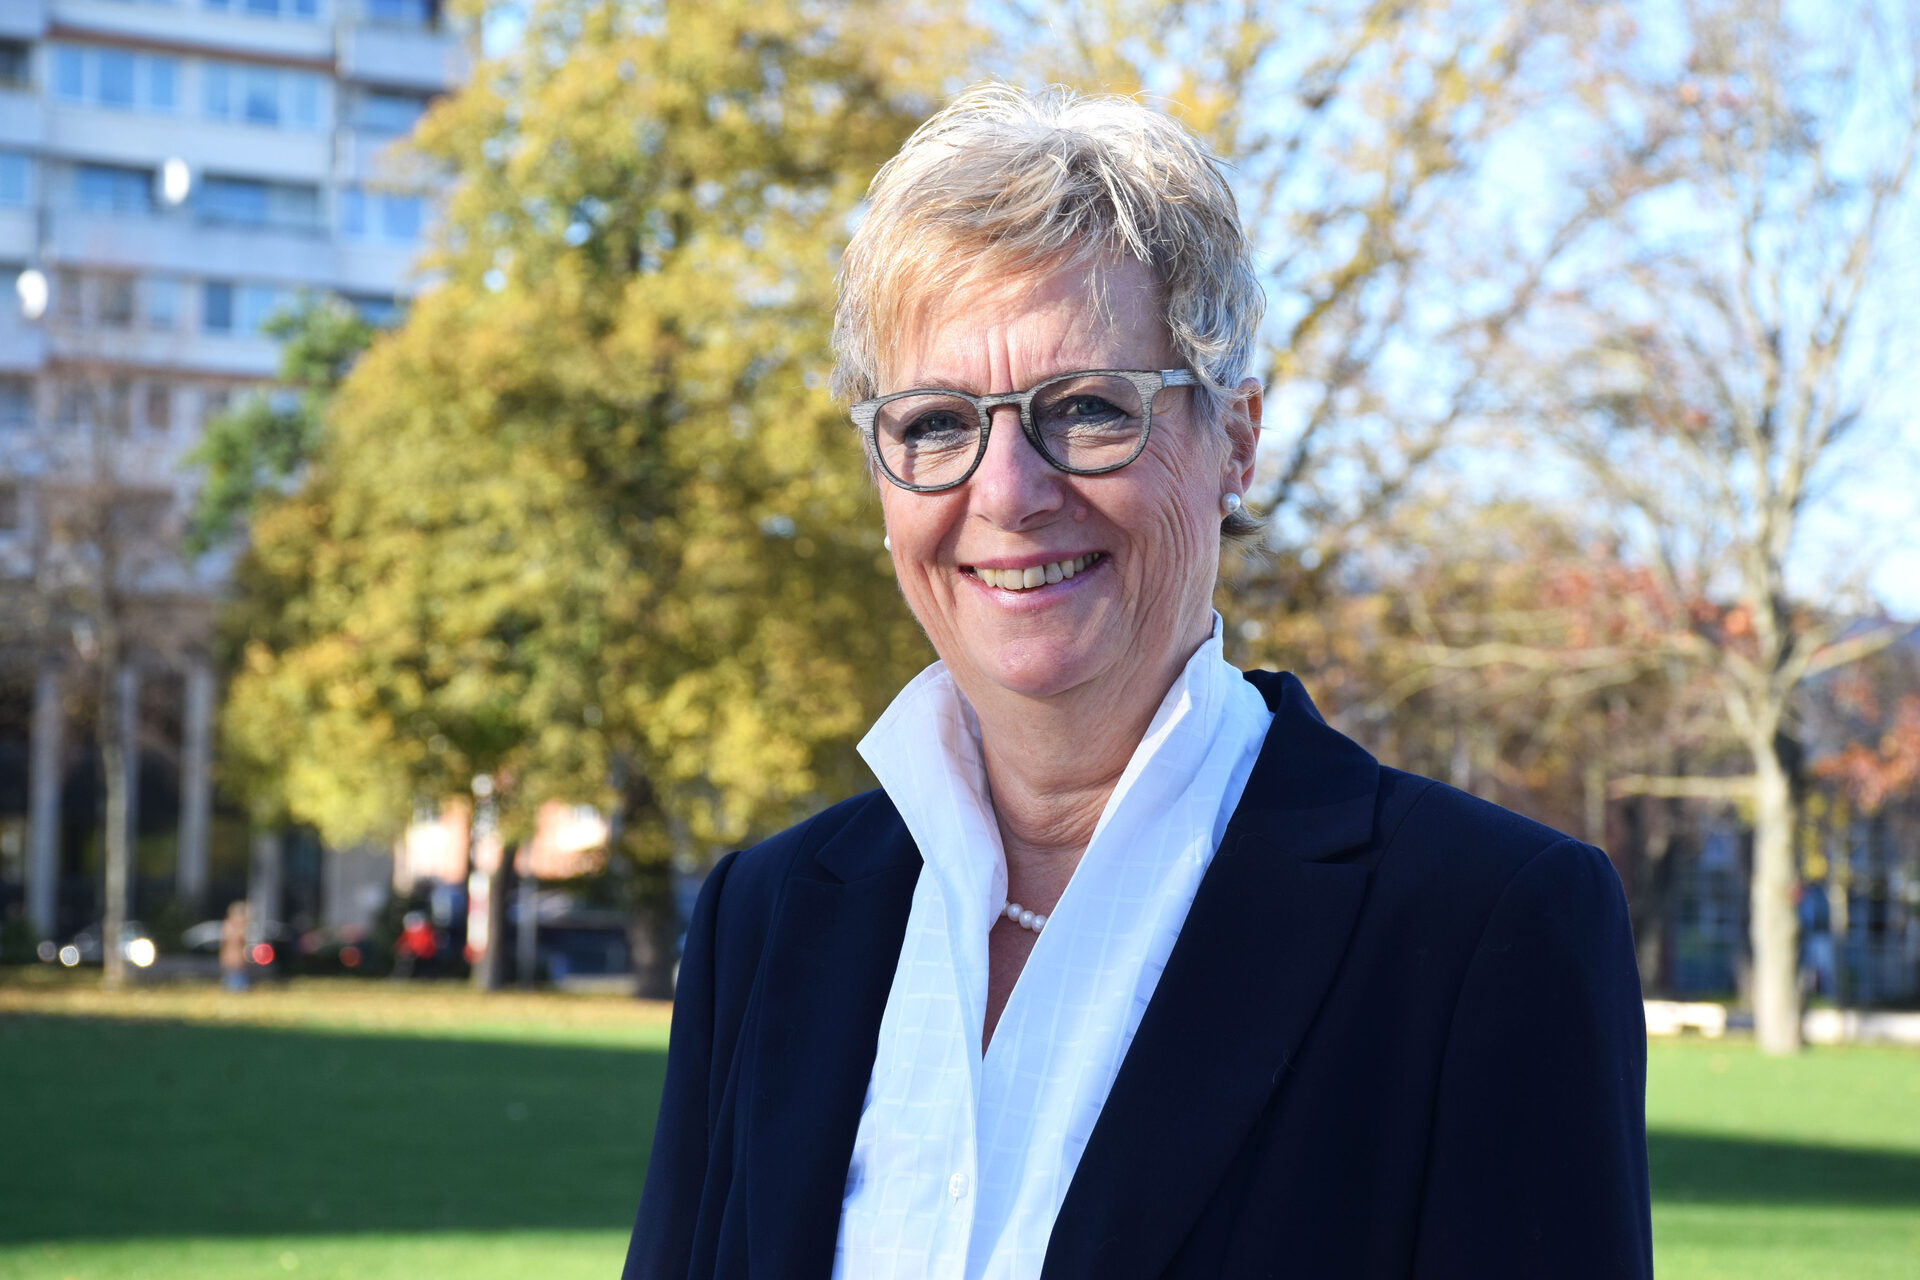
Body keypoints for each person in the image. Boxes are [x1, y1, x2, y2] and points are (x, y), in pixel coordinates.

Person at [623, 84, 1650, 1280]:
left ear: (1236, 441)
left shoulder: (1483, 927)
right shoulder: (766, 917)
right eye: (937, 423)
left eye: (1087, 409)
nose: (1008, 492)